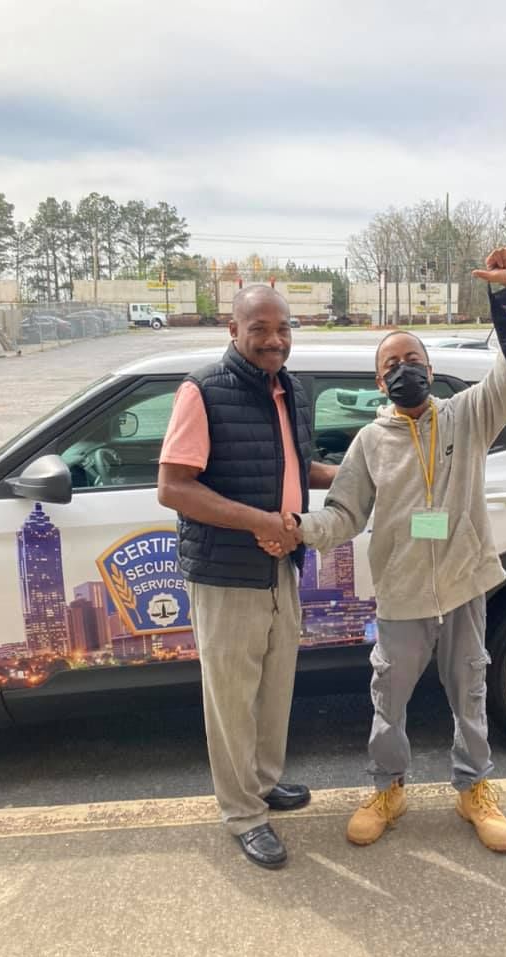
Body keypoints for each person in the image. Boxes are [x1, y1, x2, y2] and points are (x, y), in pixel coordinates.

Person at [260, 247, 506, 852]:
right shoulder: (370, 442)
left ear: (429, 365)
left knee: (470, 690)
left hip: (464, 583)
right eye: (392, 362)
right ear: (378, 380)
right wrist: (298, 528)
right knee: (389, 699)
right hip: (403, 595)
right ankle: (387, 787)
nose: (403, 368)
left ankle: (474, 790)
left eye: (412, 357)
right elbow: (344, 514)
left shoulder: (470, 415)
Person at [158, 284, 337, 870]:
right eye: (258, 328)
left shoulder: (292, 391)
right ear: (232, 330)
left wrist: (356, 476)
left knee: (274, 687)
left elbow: (293, 466)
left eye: (282, 328)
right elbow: (175, 487)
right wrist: (263, 521)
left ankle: (262, 782)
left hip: (280, 562)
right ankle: (243, 814)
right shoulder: (204, 391)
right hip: (227, 571)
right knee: (232, 700)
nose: (273, 339)